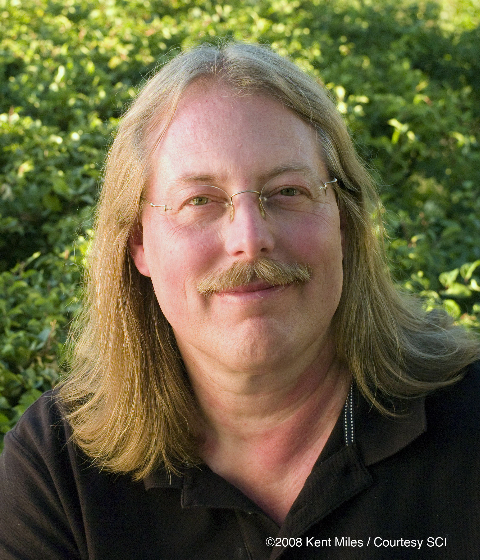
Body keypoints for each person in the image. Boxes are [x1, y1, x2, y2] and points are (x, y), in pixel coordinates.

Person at [1, 41, 479, 560]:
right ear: (138, 243)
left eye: (288, 191)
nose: (250, 238)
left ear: (343, 219)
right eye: (199, 201)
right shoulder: (58, 470)